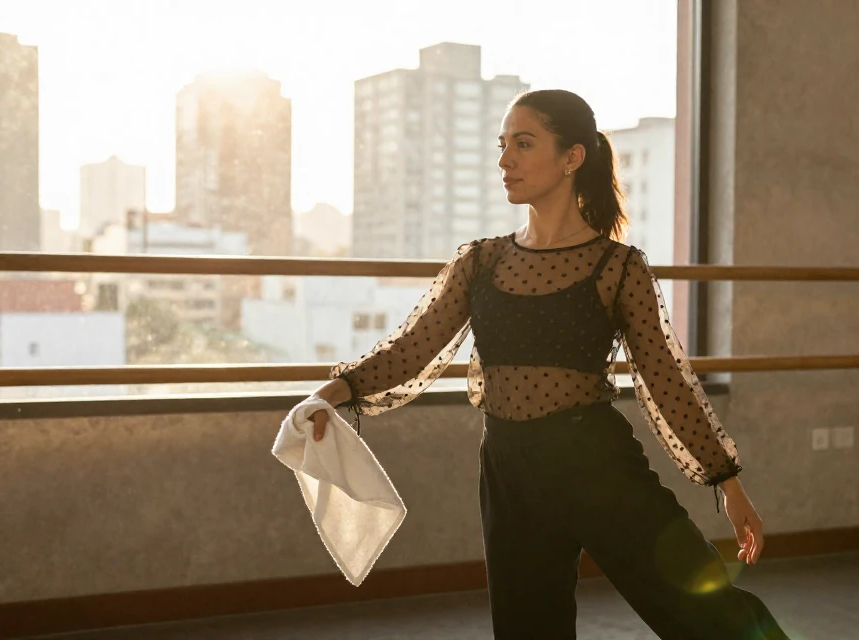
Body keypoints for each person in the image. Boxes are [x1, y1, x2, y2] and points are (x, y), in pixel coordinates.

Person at [306, 89, 788, 639]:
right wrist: (332, 393)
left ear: (572, 158)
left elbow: (666, 381)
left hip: (598, 465)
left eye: (524, 143)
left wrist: (726, 481)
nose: (504, 159)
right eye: (502, 144)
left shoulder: (619, 267)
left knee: (706, 612)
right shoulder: (480, 261)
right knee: (527, 630)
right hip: (509, 470)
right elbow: (412, 348)